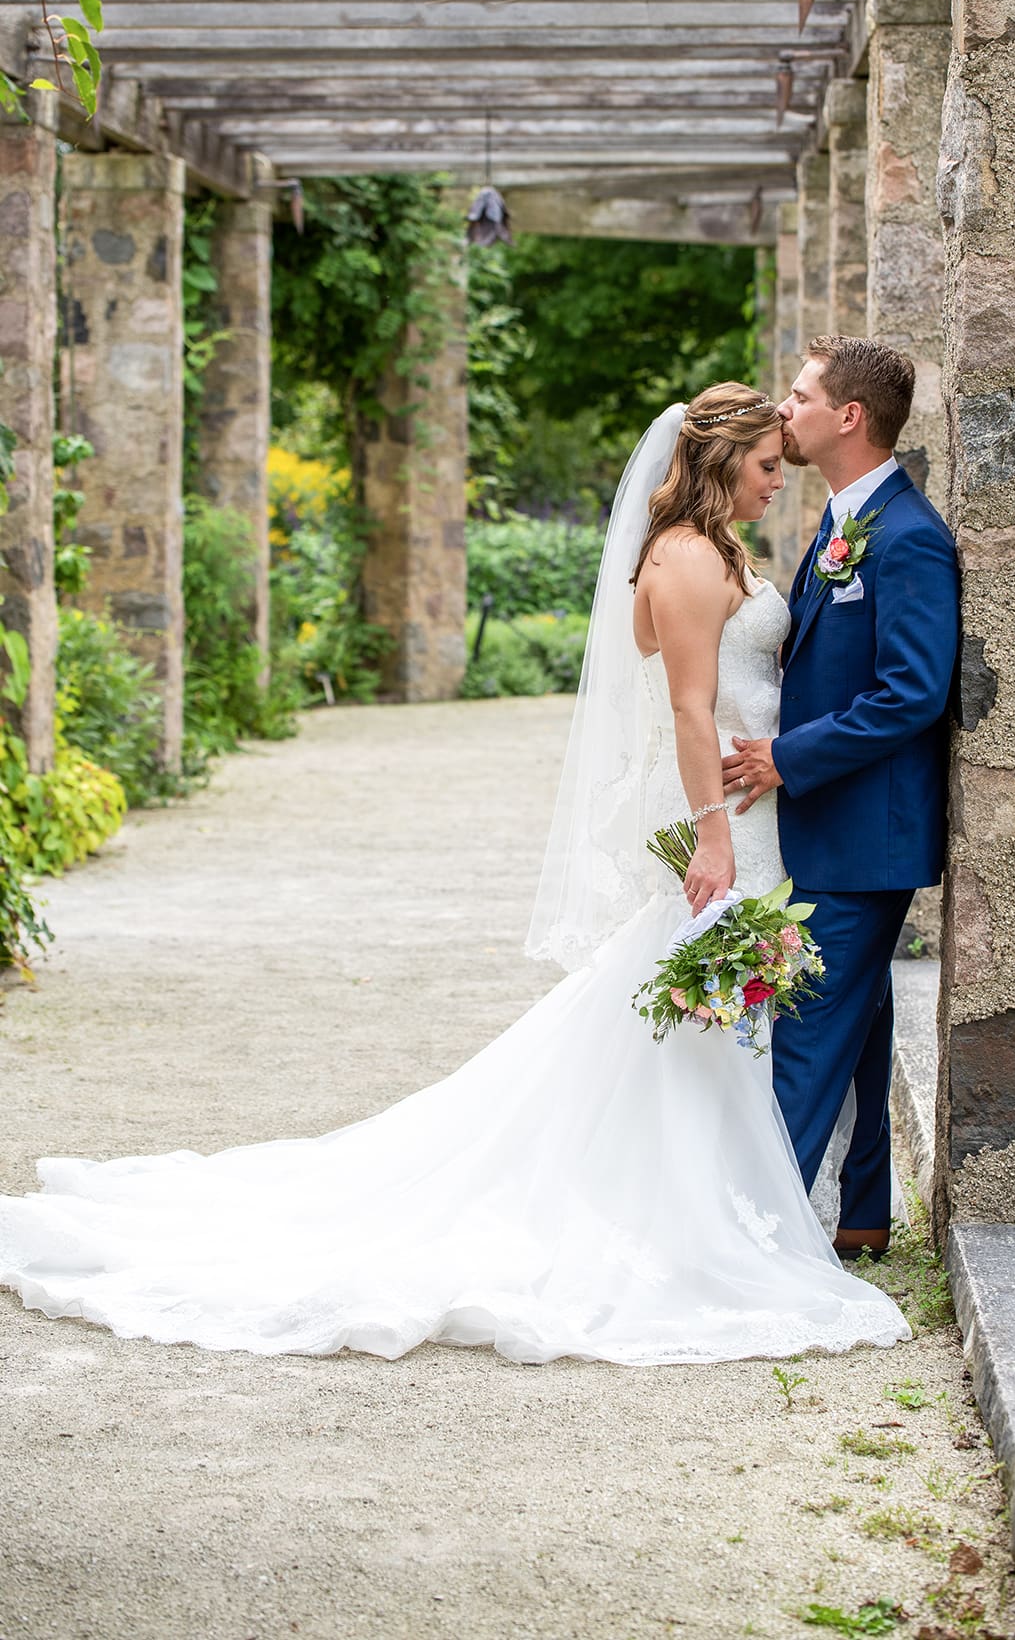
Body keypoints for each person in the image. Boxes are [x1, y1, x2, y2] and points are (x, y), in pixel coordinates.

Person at [0, 383, 909, 1366]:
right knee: (686, 1013)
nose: (780, 482)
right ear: (721, 460)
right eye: (768, 465)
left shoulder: (724, 547)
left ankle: (734, 1203)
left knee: (711, 1019)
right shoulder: (686, 559)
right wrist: (713, 839)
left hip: (755, 802)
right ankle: (685, 1217)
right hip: (719, 815)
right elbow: (691, 712)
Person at [721, 338, 959, 1263]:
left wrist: (787, 757)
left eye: (800, 394)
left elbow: (912, 691)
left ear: (848, 416)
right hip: (835, 826)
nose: (786, 408)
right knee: (861, 1024)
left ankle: (753, 1241)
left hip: (866, 833)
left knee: (809, 1033)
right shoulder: (844, 521)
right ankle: (861, 1212)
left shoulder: (907, 537)